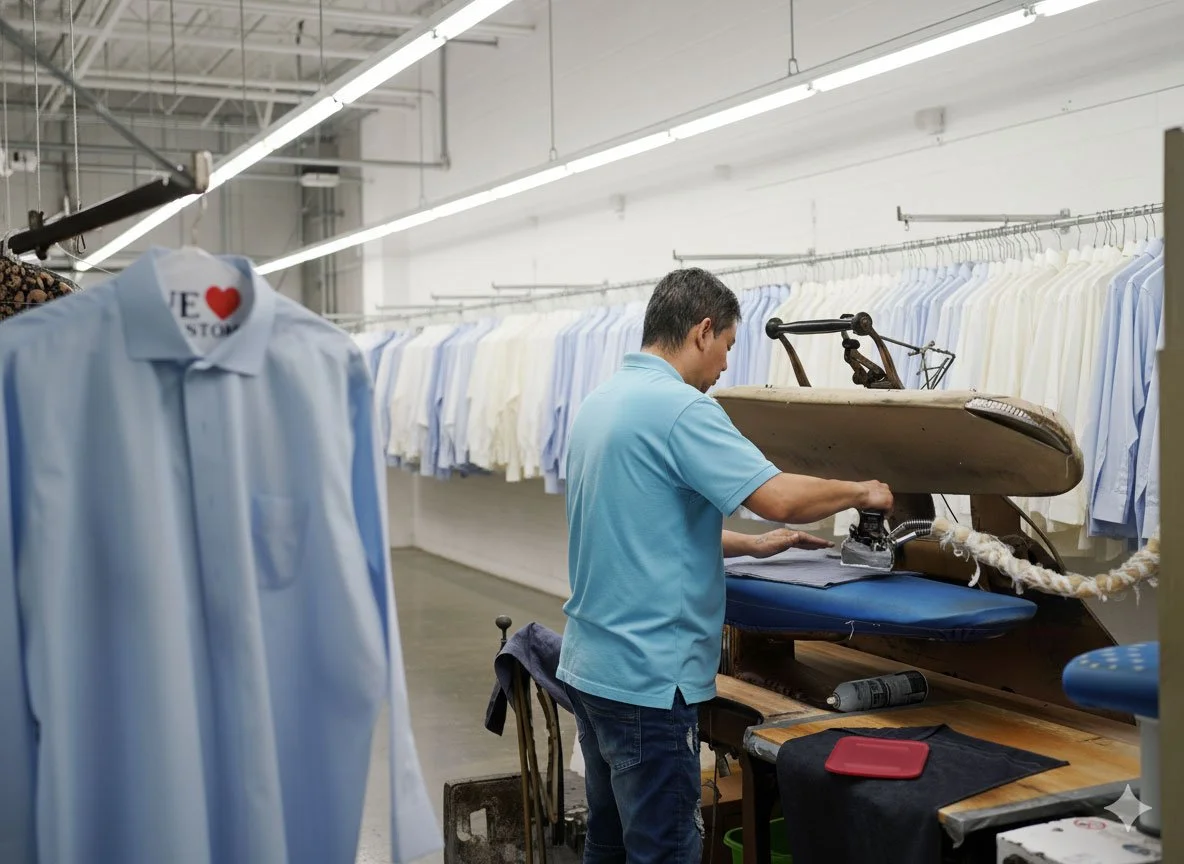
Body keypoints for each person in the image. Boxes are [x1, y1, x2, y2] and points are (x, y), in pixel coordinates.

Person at [556, 268, 894, 864]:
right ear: (702, 331)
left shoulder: (599, 403)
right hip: (650, 682)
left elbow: (636, 528)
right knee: (665, 852)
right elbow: (778, 498)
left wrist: (751, 546)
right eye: (729, 348)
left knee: (608, 844)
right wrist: (863, 492)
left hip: (592, 668)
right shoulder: (682, 409)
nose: (725, 368)